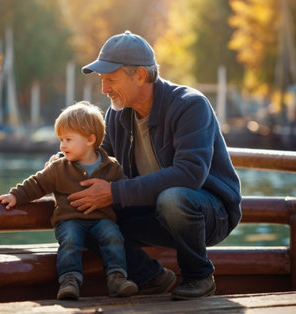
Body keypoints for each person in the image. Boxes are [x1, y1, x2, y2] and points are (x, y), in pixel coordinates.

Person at [68, 31, 242, 299]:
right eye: (102, 81)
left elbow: (189, 175)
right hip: (154, 210)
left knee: (172, 198)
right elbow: (100, 160)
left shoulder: (190, 105)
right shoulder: (117, 114)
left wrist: (114, 193)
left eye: (110, 80)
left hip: (209, 214)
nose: (104, 89)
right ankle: (152, 277)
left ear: (139, 75)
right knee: (88, 216)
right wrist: (61, 165)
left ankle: (199, 276)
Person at [0, 101, 138, 300]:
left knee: (112, 235)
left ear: (90, 139)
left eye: (68, 139)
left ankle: (117, 278)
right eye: (61, 139)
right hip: (70, 219)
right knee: (70, 239)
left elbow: (122, 189)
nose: (62, 145)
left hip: (101, 219)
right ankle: (69, 280)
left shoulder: (111, 167)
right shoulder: (59, 167)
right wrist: (15, 195)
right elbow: (37, 183)